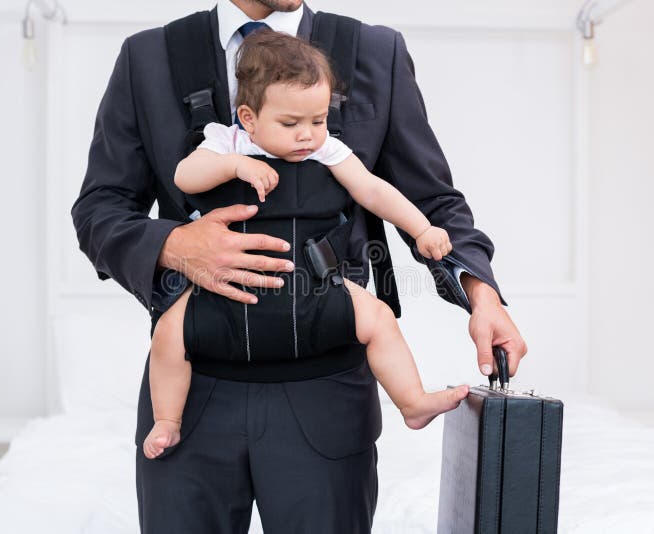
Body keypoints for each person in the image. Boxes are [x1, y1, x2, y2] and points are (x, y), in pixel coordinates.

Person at [71, 0, 528, 532]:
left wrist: (481, 293)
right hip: (192, 383)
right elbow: (99, 209)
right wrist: (176, 245)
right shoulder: (146, 56)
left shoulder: (375, 51)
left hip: (327, 383)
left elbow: (430, 202)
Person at [142, 29, 472, 460]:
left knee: (378, 318)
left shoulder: (326, 150)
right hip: (222, 292)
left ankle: (411, 401)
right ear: (248, 118)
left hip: (311, 288)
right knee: (168, 333)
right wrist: (235, 166)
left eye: (317, 121)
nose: (307, 135)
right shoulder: (226, 142)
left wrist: (422, 228)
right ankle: (167, 419)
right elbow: (185, 178)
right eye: (291, 124)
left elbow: (373, 190)